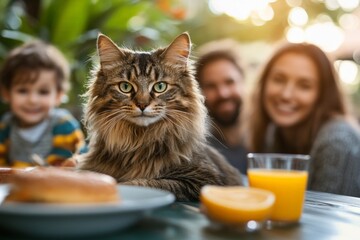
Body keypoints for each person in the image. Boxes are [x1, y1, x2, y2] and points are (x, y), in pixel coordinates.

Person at [243, 42, 360, 197]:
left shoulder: (337, 141)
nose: (286, 95)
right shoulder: (273, 133)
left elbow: (326, 218)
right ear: (264, 83)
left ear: (322, 95)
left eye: (304, 86)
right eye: (279, 79)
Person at [0, 40, 86, 167]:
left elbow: (83, 160)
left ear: (58, 95)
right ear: (6, 93)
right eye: (22, 91)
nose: (32, 100)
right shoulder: (6, 125)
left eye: (43, 92)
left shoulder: (63, 125)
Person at [195, 39, 248, 175]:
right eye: (211, 86)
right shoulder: (196, 148)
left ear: (243, 81)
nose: (223, 93)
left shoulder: (270, 139)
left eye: (229, 82)